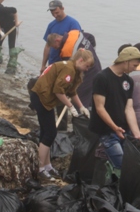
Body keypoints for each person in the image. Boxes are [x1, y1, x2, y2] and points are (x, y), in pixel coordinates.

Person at [30, 49, 94, 181]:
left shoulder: (75, 71)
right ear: (80, 60)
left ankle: (47, 166)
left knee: (47, 132)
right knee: (50, 133)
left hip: (44, 98)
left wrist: (81, 107)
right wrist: (70, 107)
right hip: (41, 97)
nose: (87, 69)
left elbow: (72, 92)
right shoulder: (68, 69)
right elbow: (58, 91)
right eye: (86, 66)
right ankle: (40, 168)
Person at [88, 46, 140, 178]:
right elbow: (99, 107)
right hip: (107, 130)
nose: (136, 68)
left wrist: (137, 133)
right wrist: (114, 127)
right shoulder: (102, 78)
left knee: (122, 163)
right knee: (120, 164)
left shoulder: (128, 81)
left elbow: (129, 108)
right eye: (134, 65)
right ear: (125, 61)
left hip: (123, 130)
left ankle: (110, 181)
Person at [48, 30, 101, 110]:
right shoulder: (74, 33)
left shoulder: (67, 51)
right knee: (92, 95)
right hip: (96, 65)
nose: (57, 49)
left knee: (81, 98)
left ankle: (82, 118)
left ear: (57, 40)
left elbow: (70, 70)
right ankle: (91, 111)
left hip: (88, 72)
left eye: (56, 47)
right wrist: (93, 51)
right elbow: (90, 37)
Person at [41, 0, 81, 72]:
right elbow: (47, 46)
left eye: (57, 13)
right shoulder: (51, 25)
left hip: (66, 64)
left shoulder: (73, 23)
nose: (55, 15)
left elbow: (78, 45)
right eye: (52, 13)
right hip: (52, 63)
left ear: (62, 8)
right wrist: (43, 65)